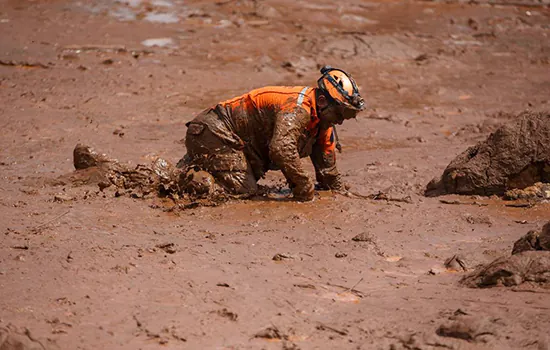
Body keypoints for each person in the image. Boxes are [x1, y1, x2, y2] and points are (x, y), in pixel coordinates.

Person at [179, 66, 365, 201]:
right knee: (244, 190)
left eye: (348, 116)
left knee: (247, 182)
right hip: (215, 131)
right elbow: (282, 149)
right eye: (341, 113)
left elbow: (328, 171)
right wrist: (303, 186)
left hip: (234, 140)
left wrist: (340, 193)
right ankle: (187, 181)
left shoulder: (323, 123)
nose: (341, 121)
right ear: (323, 101)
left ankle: (194, 168)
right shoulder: (297, 108)